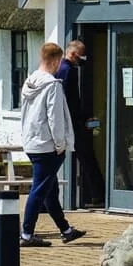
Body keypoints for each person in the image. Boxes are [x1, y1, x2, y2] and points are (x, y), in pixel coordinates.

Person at [18, 41, 85, 246]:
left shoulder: (29, 82)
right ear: (56, 60)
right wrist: (60, 144)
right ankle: (26, 234)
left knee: (50, 189)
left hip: (32, 142)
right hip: (47, 146)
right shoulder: (52, 85)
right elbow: (55, 118)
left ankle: (66, 230)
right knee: (39, 189)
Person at [57, 38, 105, 209]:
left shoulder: (59, 69)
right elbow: (71, 101)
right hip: (72, 122)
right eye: (81, 56)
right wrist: (84, 118)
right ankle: (98, 195)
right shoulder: (68, 71)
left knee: (56, 161)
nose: (83, 60)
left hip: (64, 121)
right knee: (87, 157)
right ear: (72, 53)